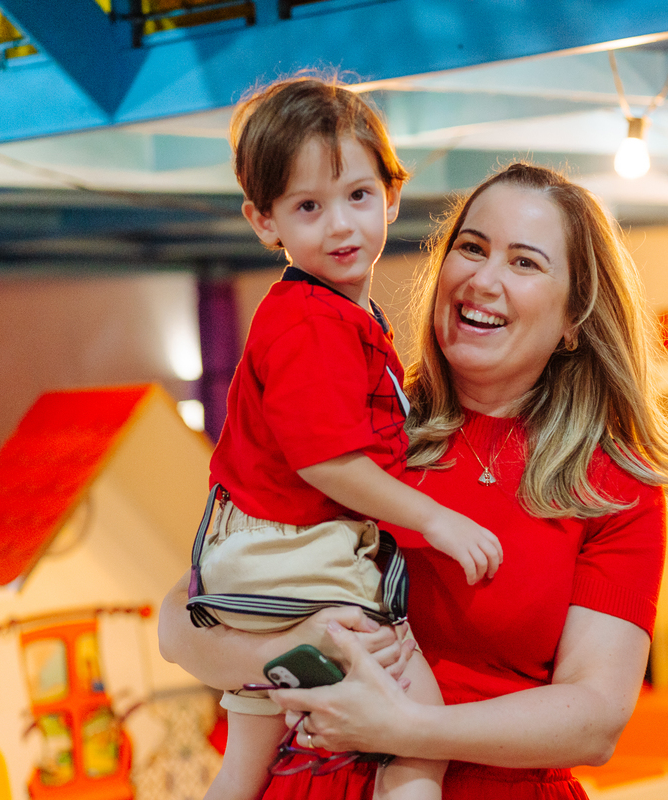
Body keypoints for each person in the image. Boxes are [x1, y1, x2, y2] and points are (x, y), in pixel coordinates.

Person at [160, 162, 668, 799]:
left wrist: (408, 727)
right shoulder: (354, 431)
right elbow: (180, 621)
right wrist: (302, 649)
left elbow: (594, 720)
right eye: (470, 248)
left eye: (524, 263)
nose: (483, 279)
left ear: (573, 318)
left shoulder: (614, 485)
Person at [190, 76, 504, 800]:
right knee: (418, 720)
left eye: (358, 197)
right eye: (308, 207)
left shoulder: (333, 316)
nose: (341, 226)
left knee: (244, 764)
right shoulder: (311, 323)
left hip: (253, 555)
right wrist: (435, 518)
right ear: (265, 223)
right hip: (293, 557)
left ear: (391, 196)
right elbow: (328, 461)